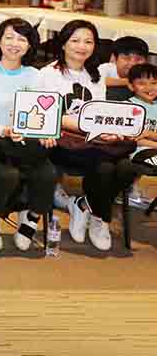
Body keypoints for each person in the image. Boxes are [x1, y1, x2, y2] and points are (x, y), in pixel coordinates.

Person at [37, 20, 139, 251]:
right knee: (106, 168)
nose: (82, 46)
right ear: (63, 44)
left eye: (88, 41)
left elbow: (100, 114)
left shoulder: (95, 75)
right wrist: (85, 126)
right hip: (63, 143)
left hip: (94, 142)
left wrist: (109, 132)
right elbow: (48, 115)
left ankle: (89, 208)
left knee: (126, 169)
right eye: (75, 40)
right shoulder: (47, 74)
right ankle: (100, 215)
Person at [0, 18, 57, 252]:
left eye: (22, 39)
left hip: (26, 143)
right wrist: (3, 130)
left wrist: (46, 134)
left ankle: (31, 217)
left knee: (48, 173)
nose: (14, 43)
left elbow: (44, 114)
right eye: (9, 37)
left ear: (30, 45)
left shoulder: (35, 76)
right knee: (6, 174)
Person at [128, 64, 157, 169]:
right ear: (131, 86)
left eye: (154, 83)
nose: (149, 87)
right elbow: (132, 139)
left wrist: (148, 133)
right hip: (138, 152)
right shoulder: (127, 106)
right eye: (142, 83)